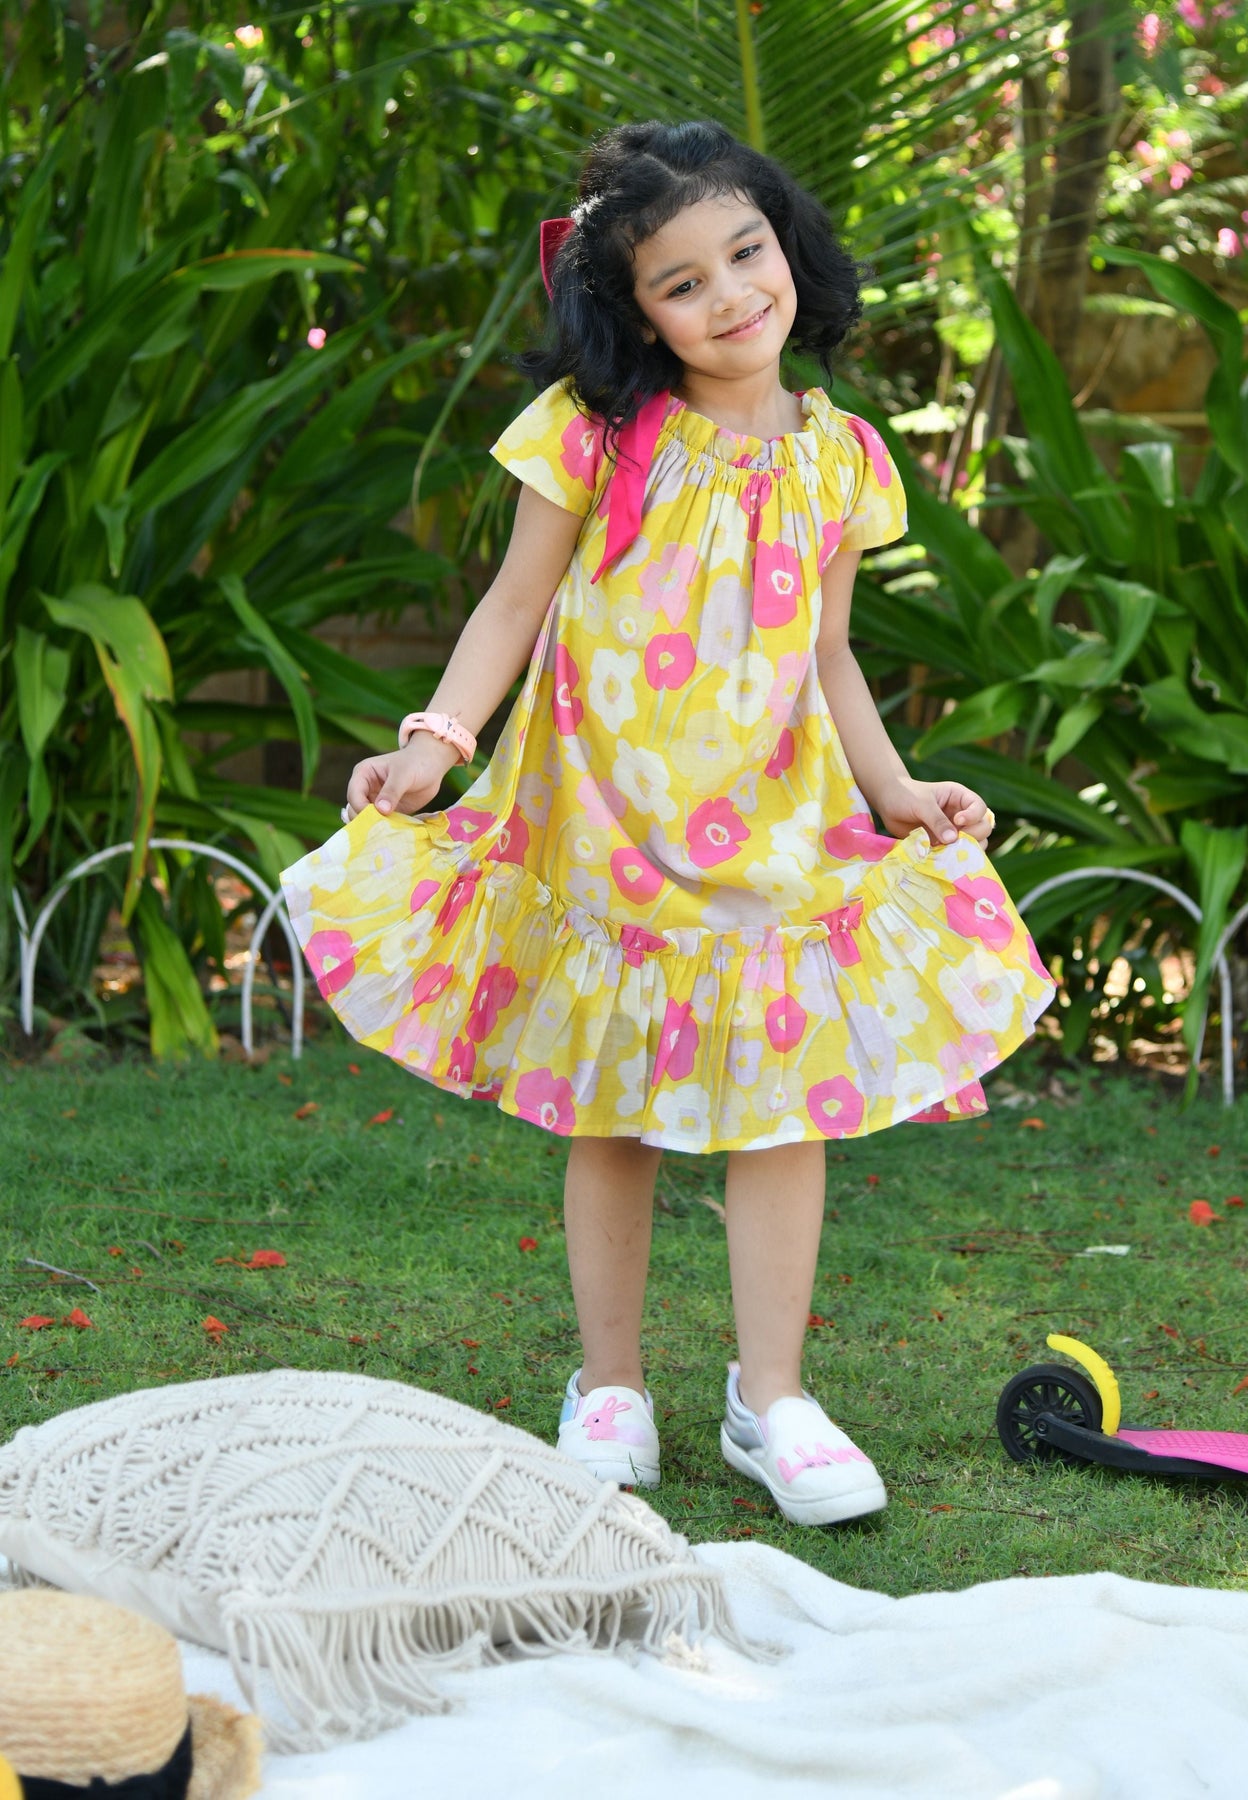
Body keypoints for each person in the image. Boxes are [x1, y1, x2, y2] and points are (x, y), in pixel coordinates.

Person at [282, 120, 1054, 1527]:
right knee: (615, 1106)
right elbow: (513, 604)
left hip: (776, 822)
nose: (731, 295)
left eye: (746, 254)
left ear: (787, 246)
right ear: (636, 314)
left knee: (785, 1110)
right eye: (681, 283)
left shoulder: (843, 460)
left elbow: (830, 655)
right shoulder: (593, 434)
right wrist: (436, 742)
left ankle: (774, 1399)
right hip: (605, 821)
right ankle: (611, 1387)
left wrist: (894, 790)